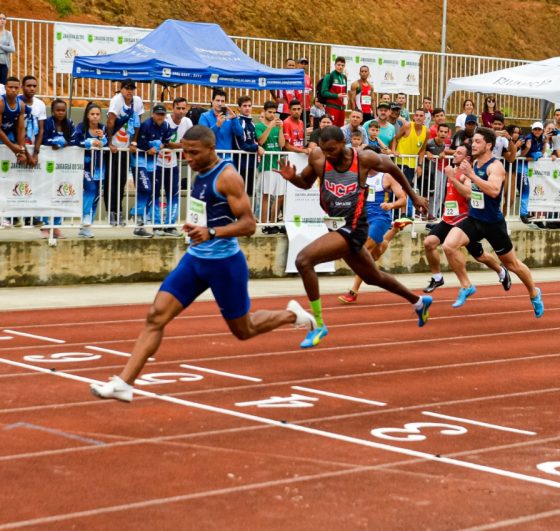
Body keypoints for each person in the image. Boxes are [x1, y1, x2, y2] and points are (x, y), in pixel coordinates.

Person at [90, 125, 315, 403]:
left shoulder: (228, 177)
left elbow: (249, 225)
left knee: (243, 330)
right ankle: (125, 383)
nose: (188, 158)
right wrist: (196, 227)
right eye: (185, 152)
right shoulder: (199, 171)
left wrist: (211, 232)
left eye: (194, 153)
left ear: (211, 149)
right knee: (156, 316)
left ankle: (291, 315)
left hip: (225, 264)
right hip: (195, 260)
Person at [276, 126, 433, 348]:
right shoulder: (318, 158)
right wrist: (292, 178)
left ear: (344, 143)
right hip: (336, 227)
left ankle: (318, 324)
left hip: (354, 227)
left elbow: (393, 168)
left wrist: (414, 197)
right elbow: (305, 182)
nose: (328, 154)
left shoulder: (364, 158)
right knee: (373, 277)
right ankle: (418, 301)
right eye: (324, 149)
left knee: (303, 260)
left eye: (332, 150)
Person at [441, 128, 544, 314]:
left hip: (493, 224)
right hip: (474, 219)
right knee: (449, 246)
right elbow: (468, 193)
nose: (473, 144)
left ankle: (534, 293)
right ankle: (466, 286)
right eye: (473, 141)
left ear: (488, 145)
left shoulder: (495, 167)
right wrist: (455, 178)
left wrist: (471, 175)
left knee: (512, 264)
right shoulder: (473, 164)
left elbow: (494, 191)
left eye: (478, 141)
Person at [422, 144, 509, 294]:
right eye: (455, 152)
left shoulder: (465, 175)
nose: (454, 154)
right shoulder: (451, 170)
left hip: (462, 221)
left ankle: (501, 271)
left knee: (480, 256)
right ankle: (437, 277)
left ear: (467, 158)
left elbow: (468, 194)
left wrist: (452, 178)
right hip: (448, 220)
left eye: (459, 153)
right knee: (429, 243)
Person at [337, 145, 410, 304]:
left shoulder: (386, 177)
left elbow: (403, 199)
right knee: (376, 254)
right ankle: (393, 231)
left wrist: (391, 205)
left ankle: (353, 291)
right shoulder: (358, 174)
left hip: (380, 218)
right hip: (362, 219)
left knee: (365, 251)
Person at [105, 79, 144, 226]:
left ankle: (119, 211)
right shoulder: (117, 100)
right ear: (121, 89)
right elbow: (110, 121)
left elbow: (138, 123)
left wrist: (134, 142)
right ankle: (111, 212)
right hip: (114, 147)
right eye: (127, 88)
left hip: (126, 148)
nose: (129, 91)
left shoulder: (137, 101)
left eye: (132, 88)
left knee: (121, 181)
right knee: (111, 181)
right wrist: (110, 143)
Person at [131, 104, 173, 237]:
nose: (160, 116)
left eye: (162, 114)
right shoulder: (146, 125)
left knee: (152, 191)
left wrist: (159, 147)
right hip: (139, 161)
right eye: (158, 114)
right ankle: (136, 214)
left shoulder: (166, 125)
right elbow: (140, 143)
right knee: (146, 188)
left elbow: (166, 141)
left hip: (152, 163)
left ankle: (139, 224)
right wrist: (149, 149)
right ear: (153, 114)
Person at [154, 97, 193, 237]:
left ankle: (170, 225)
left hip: (173, 164)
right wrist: (180, 144)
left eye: (184, 108)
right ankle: (156, 225)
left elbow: (191, 141)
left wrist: (179, 145)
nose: (181, 111)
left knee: (174, 194)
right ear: (173, 108)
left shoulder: (187, 122)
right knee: (155, 194)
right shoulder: (165, 121)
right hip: (157, 163)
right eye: (178, 108)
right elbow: (165, 142)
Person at [71, 103, 107, 238]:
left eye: (97, 114)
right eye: (92, 114)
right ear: (87, 115)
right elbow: (75, 141)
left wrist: (102, 139)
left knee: (96, 197)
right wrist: (90, 142)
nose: (95, 116)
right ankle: (85, 215)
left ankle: (85, 228)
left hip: (99, 168)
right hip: (85, 167)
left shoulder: (102, 128)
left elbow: (106, 144)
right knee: (91, 189)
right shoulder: (81, 127)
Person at [40, 98, 73, 239]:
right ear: (52, 111)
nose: (60, 113)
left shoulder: (69, 123)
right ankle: (44, 225)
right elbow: (42, 139)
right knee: (46, 193)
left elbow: (73, 140)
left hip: (63, 165)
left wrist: (65, 143)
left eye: (63, 110)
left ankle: (57, 226)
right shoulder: (47, 122)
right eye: (58, 110)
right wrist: (52, 142)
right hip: (47, 164)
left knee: (61, 194)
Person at [255, 101, 286, 233]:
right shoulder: (259, 126)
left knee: (279, 196)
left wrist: (281, 129)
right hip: (267, 165)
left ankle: (273, 223)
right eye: (270, 112)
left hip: (278, 165)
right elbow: (261, 141)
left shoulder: (277, 126)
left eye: (274, 112)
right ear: (264, 111)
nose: (272, 115)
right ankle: (264, 224)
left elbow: (282, 144)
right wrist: (270, 127)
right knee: (266, 195)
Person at [396, 108, 428, 217]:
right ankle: (402, 213)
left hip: (411, 162)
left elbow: (422, 149)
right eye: (417, 115)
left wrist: (420, 165)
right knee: (403, 187)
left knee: (407, 187)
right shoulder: (407, 126)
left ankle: (406, 213)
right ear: (413, 117)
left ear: (424, 118)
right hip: (400, 161)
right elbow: (395, 139)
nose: (418, 117)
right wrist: (393, 151)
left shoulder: (426, 131)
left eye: (421, 115)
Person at [0, 76, 27, 164]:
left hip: (8, 133)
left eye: (16, 87)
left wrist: (21, 150)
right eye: (10, 87)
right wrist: (12, 147)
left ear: (19, 88)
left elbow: (21, 129)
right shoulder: (1, 103)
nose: (13, 90)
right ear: (5, 88)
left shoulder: (21, 105)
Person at [320, 56, 348, 127]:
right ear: (335, 65)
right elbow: (323, 92)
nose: (340, 67)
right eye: (338, 65)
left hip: (342, 109)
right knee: (330, 128)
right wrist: (336, 95)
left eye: (342, 65)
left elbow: (344, 92)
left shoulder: (344, 77)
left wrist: (345, 98)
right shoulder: (329, 76)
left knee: (340, 129)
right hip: (332, 107)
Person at [0, 14, 14, 85]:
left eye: (4, 19)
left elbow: (12, 49)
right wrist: (5, 48)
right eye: (0, 18)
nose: (2, 20)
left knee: (2, 85)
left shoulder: (8, 34)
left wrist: (0, 46)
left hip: (4, 63)